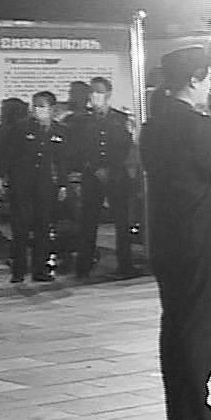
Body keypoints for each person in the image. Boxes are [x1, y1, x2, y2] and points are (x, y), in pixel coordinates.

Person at [142, 46, 211, 420]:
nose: (210, 86)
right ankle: (195, 413)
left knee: (175, 322)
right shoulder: (197, 126)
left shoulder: (153, 126)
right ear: (194, 80)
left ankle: (181, 412)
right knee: (198, 326)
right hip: (199, 237)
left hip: (167, 237)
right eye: (208, 78)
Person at [65, 77, 138, 278]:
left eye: (99, 92)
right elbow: (78, 148)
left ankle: (125, 264)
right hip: (92, 175)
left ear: (108, 94)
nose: (95, 96)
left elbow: (125, 147)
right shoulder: (81, 121)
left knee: (122, 221)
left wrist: (114, 168)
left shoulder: (120, 119)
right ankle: (84, 266)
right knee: (88, 221)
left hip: (117, 174)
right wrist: (94, 167)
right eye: (92, 92)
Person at [0, 90, 67, 282]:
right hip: (22, 184)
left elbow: (62, 160)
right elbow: (8, 155)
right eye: (35, 106)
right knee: (20, 227)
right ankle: (18, 269)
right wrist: (2, 178)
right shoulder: (21, 128)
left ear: (52, 108)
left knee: (43, 227)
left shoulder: (60, 130)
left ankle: (40, 269)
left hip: (45, 185)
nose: (38, 110)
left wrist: (63, 184)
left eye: (42, 106)